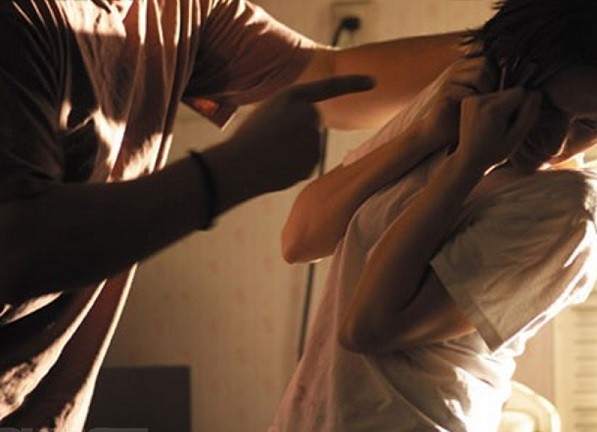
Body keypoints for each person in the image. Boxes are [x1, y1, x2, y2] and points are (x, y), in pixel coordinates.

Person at [0, 0, 469, 429]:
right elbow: (19, 246)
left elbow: (328, 76)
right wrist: (232, 171)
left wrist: (499, 49)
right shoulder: (23, 17)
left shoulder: (179, 9)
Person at [274, 0, 597, 431]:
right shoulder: (452, 103)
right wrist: (425, 134)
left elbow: (369, 327)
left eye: (590, 126)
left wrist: (467, 164)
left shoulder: (568, 210)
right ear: (502, 66)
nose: (556, 143)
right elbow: (299, 239)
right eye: (547, 109)